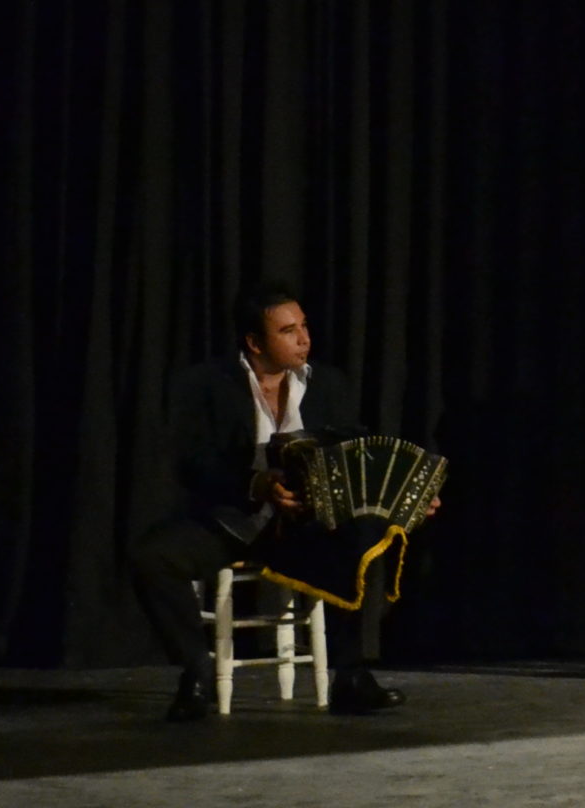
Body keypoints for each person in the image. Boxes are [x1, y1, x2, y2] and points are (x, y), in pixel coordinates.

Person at [126, 283, 420, 719]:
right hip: (236, 522)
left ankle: (353, 676)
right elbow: (193, 463)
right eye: (288, 330)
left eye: (303, 326)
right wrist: (256, 483)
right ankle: (195, 671)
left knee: (372, 539)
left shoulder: (328, 384)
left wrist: (405, 497)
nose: (304, 338)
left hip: (308, 526)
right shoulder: (206, 384)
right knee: (152, 556)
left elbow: (357, 453)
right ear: (255, 342)